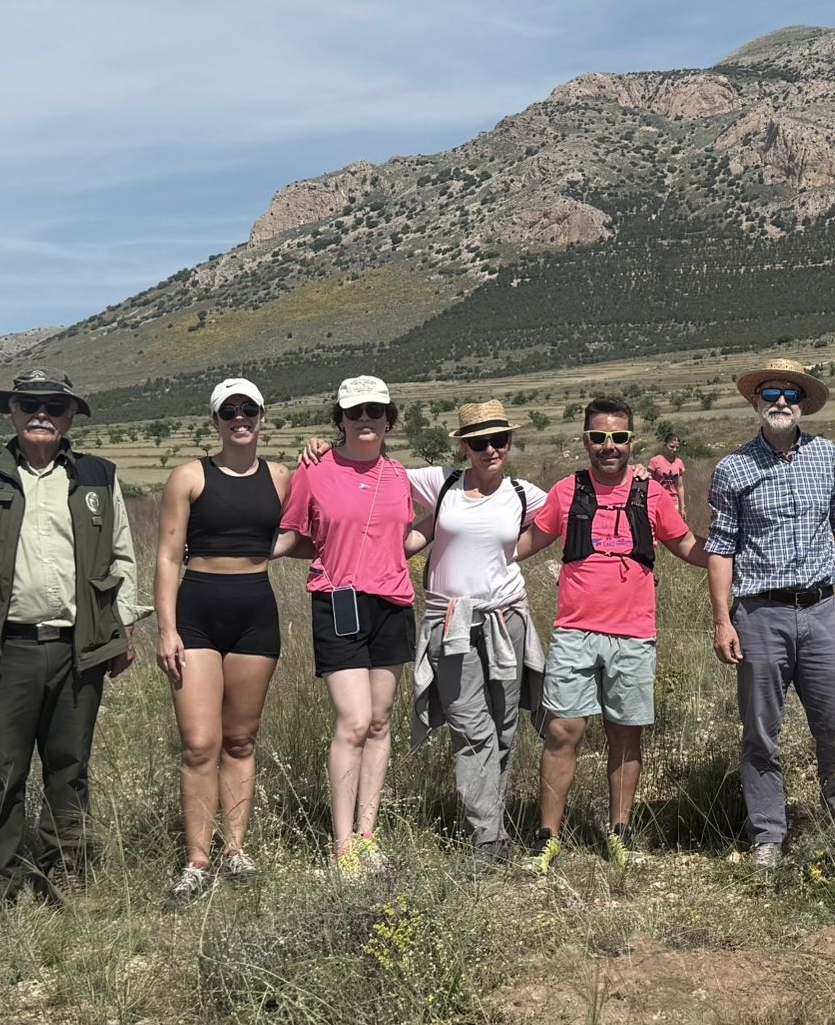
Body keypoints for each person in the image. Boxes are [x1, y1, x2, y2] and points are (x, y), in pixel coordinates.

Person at [0, 369, 141, 905]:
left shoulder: (98, 475)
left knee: (70, 766)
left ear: (71, 417)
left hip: (80, 646)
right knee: (1, 770)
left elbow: (122, 556)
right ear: (13, 412)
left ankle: (62, 874)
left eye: (55, 406)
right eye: (29, 404)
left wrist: (125, 627)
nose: (41, 414)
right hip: (3, 647)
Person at [513, 396, 705, 869]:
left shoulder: (652, 494)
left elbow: (686, 545)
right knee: (563, 731)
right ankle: (546, 838)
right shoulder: (566, 491)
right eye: (598, 437)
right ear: (585, 441)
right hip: (575, 631)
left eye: (618, 437)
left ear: (631, 441)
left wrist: (738, 552)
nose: (608, 446)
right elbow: (527, 543)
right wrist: (464, 547)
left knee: (625, 736)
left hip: (633, 634)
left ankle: (620, 832)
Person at [706, 359, 835, 866]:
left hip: (821, 611)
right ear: (755, 401)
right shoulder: (733, 469)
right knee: (761, 732)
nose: (781, 403)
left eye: (791, 395)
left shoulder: (829, 457)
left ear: (802, 404)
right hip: (759, 615)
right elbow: (721, 547)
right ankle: (768, 835)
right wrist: (723, 619)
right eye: (771, 393)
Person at [152, 378, 291, 908]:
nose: (240, 418)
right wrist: (166, 629)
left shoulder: (281, 477)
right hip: (198, 615)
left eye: (248, 409)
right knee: (199, 744)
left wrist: (319, 454)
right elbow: (167, 557)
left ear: (262, 415)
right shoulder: (189, 476)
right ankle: (196, 861)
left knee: (241, 740)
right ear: (215, 420)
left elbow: (307, 525)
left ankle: (235, 850)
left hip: (256, 612)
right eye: (228, 411)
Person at [277, 375, 420, 878]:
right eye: (355, 412)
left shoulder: (401, 476)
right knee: (354, 722)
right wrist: (226, 558)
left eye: (375, 412)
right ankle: (342, 849)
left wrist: (404, 552)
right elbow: (289, 536)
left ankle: (367, 836)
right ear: (339, 419)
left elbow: (411, 530)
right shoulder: (314, 472)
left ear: (389, 419)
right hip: (337, 601)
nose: (366, 420)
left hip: (392, 604)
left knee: (380, 723)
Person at [406, 401, 549, 867]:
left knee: (505, 726)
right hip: (451, 623)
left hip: (507, 619)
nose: (490, 449)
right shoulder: (441, 482)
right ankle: (489, 834)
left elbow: (569, 513)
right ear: (464, 446)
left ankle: (491, 833)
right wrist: (325, 449)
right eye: (479, 442)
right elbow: (379, 473)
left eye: (499, 440)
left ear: (509, 442)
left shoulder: (527, 495)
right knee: (471, 726)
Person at [648, 435, 688, 520]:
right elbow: (649, 483)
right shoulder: (655, 461)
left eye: (677, 447)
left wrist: (682, 507)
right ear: (664, 445)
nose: (674, 450)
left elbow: (679, 486)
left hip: (674, 501)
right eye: (672, 447)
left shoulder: (679, 463)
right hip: (658, 500)